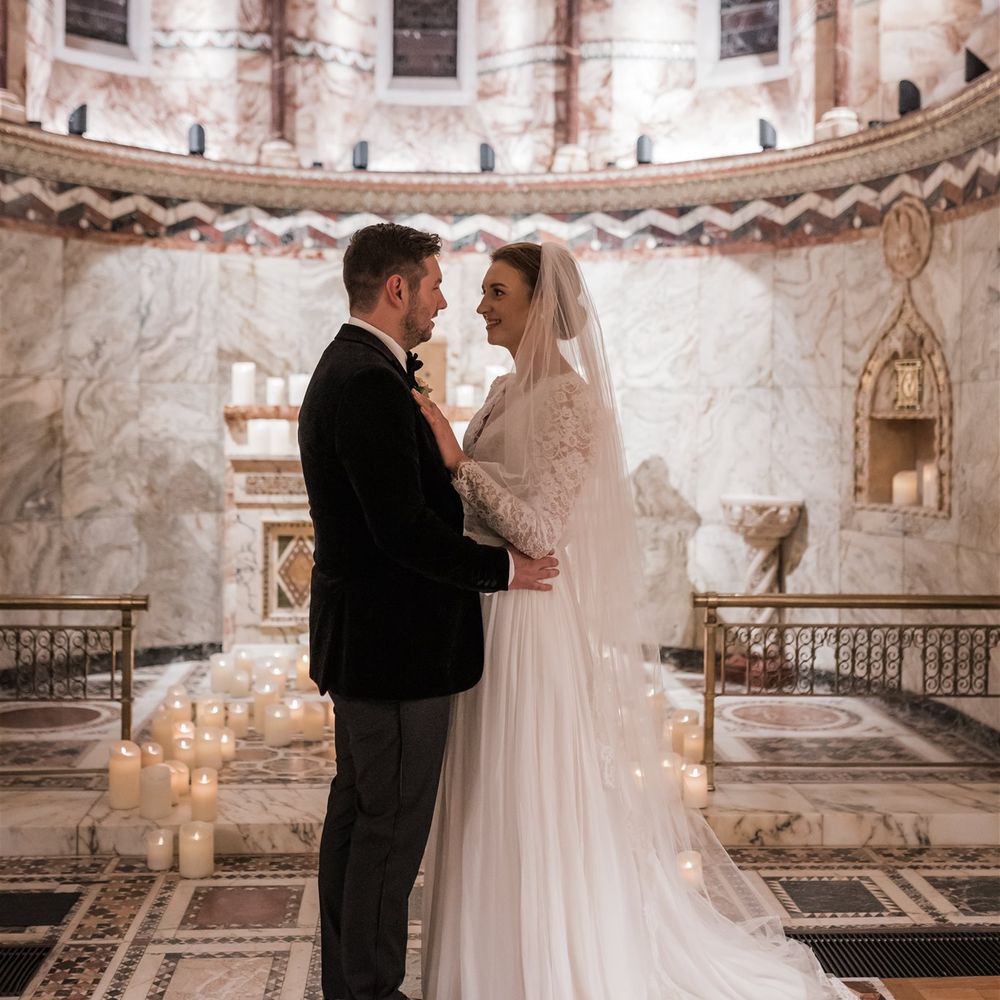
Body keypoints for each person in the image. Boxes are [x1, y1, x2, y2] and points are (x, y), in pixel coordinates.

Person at [412, 242, 854, 999]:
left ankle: (540, 968)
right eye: (482, 291)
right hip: (484, 613)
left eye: (496, 291)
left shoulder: (572, 402)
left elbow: (543, 531)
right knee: (483, 793)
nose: (480, 305)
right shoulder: (501, 387)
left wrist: (457, 465)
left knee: (524, 797)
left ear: (539, 304)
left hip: (530, 624)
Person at [297, 223, 559, 1000]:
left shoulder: (349, 367)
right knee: (388, 832)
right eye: (437, 284)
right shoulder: (369, 382)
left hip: (371, 646)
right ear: (398, 289)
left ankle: (352, 984)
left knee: (358, 820)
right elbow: (402, 531)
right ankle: (370, 991)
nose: (447, 300)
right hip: (398, 653)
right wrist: (504, 569)